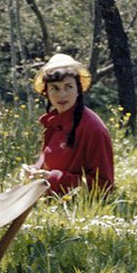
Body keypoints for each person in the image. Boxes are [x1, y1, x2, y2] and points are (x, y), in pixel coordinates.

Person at [22, 53, 115, 196]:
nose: (62, 94)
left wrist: (51, 178)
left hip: (78, 209)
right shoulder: (53, 122)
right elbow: (47, 162)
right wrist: (34, 170)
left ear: (78, 90)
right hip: (52, 202)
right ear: (46, 92)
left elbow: (104, 186)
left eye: (68, 86)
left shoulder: (92, 128)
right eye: (55, 88)